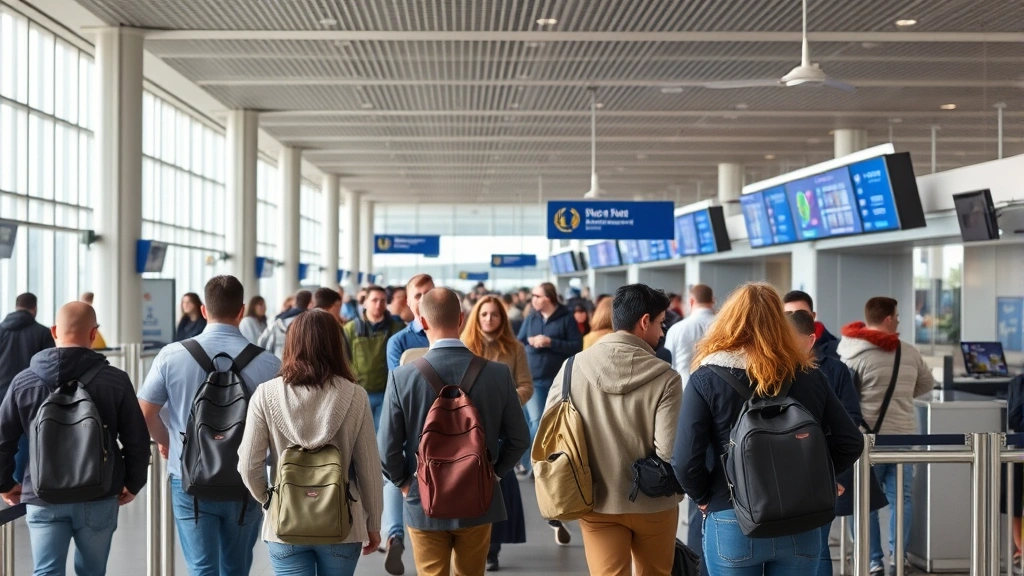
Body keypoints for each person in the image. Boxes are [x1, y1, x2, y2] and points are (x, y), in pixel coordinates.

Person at [673, 283, 863, 576]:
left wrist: (705, 496)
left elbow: (686, 459)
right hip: (801, 518)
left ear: (728, 323)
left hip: (731, 516)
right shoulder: (811, 376)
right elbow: (850, 441)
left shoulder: (706, 378)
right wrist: (817, 476)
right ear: (780, 323)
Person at [378, 288, 530, 576]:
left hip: (424, 499)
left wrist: (406, 484)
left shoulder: (402, 378)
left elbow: (386, 448)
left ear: (422, 322)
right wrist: (493, 475)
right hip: (479, 499)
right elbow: (520, 438)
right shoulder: (498, 374)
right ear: (462, 318)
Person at [138, 275, 281, 576]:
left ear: (204, 311)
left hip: (188, 478)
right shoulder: (269, 364)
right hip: (246, 480)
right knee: (236, 568)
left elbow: (146, 411)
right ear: (242, 311)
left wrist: (167, 441)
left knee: (202, 569)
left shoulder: (172, 356)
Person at [0, 301, 150, 576]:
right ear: (94, 334)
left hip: (42, 494)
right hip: (101, 492)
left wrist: (5, 483)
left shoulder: (24, 381)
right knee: (92, 572)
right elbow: (137, 440)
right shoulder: (116, 380)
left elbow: (2, 440)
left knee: (46, 572)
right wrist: (133, 482)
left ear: (54, 330)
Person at [547, 284, 683, 576]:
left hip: (595, 499)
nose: (662, 333)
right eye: (661, 324)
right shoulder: (667, 377)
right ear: (644, 322)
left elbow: (551, 432)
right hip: (654, 504)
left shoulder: (571, 368)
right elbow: (669, 450)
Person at [237, 310, 384, 576]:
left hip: (285, 524)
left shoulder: (266, 394)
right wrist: (373, 521)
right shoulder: (356, 396)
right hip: (344, 524)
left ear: (291, 344)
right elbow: (370, 469)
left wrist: (271, 500)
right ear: (336, 345)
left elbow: (248, 465)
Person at [838, 297, 936, 576]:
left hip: (867, 440)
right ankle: (898, 556)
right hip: (903, 437)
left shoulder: (851, 353)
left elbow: (844, 396)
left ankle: (872, 559)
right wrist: (900, 397)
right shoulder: (909, 352)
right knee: (902, 499)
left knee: (862, 499)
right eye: (898, 317)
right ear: (889, 319)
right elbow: (927, 384)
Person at [788, 310, 864, 576]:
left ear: (810, 339)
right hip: (796, 481)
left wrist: (827, 470)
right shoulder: (775, 374)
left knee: (817, 549)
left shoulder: (831, 371)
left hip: (807, 479)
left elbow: (852, 424)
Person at [462, 296, 533, 571]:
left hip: (502, 426)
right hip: (469, 426)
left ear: (502, 318)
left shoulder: (515, 349)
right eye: (484, 315)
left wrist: (505, 401)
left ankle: (492, 549)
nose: (489, 319)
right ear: (476, 318)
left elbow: (526, 385)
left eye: (494, 315)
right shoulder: (466, 347)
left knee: (499, 486)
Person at [516, 281, 582, 544]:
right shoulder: (531, 318)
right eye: (532, 295)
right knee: (534, 420)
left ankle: (538, 460)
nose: (533, 299)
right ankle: (534, 460)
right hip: (533, 378)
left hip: (556, 379)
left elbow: (575, 345)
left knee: (549, 425)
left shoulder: (565, 319)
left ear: (550, 298)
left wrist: (550, 342)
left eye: (537, 296)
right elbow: (519, 341)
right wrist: (532, 341)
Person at [379, 273, 435, 574]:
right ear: (409, 301)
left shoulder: (450, 331)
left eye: (429, 293)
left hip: (443, 420)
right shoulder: (399, 341)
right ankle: (394, 536)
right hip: (411, 419)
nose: (424, 299)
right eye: (418, 295)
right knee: (395, 473)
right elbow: (397, 385)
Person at [0, 292, 55, 484]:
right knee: (25, 438)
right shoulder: (43, 333)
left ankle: (5, 482)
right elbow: (49, 367)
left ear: (16, 306)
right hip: (31, 395)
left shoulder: (1, 330)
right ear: (35, 308)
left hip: (1, 396)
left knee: (3, 438)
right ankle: (22, 483)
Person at [343, 285, 406, 426]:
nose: (378, 304)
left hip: (387, 394)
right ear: (365, 302)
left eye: (382, 301)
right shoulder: (351, 328)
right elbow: (344, 359)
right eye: (374, 300)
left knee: (382, 438)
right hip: (359, 393)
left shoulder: (397, 328)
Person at [664, 284, 715, 386]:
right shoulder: (724, 326)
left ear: (691, 301)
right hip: (716, 390)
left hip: (683, 389)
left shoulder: (676, 329)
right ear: (713, 301)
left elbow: (668, 364)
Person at [784, 290, 841, 359]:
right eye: (788, 314)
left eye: (802, 314)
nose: (795, 319)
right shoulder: (776, 349)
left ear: (813, 316)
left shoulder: (838, 350)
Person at [259, 290, 313, 359]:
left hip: (277, 359)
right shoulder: (307, 322)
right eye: (288, 306)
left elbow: (262, 342)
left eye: (290, 307)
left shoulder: (276, 322)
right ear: (310, 304)